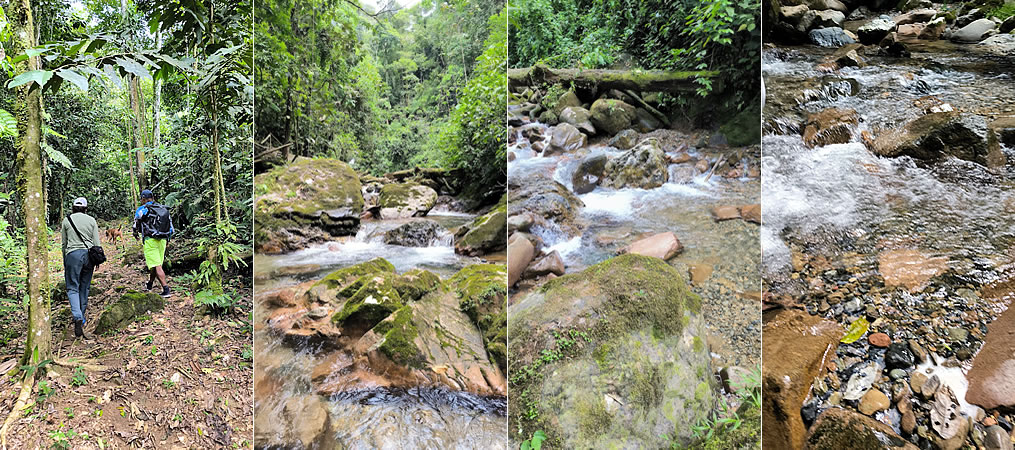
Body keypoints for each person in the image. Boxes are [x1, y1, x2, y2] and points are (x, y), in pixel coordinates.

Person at [61, 197, 100, 340]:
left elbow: (64, 244)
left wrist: (65, 260)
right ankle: (81, 318)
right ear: (85, 208)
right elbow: (96, 243)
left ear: (73, 207)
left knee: (72, 288)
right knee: (84, 288)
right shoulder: (91, 220)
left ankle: (76, 316)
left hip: (72, 255)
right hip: (88, 256)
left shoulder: (67, 220)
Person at [133, 189, 174, 298]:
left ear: (143, 199)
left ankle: (166, 289)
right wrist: (168, 238)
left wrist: (135, 233)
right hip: (163, 240)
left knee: (157, 265)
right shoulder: (163, 208)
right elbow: (171, 227)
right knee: (155, 265)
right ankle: (150, 284)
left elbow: (136, 222)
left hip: (150, 240)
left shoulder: (142, 209)